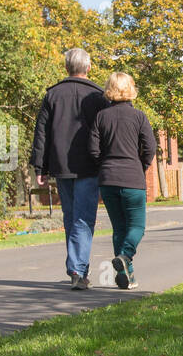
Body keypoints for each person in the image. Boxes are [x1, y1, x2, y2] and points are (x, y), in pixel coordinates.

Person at [28, 48, 108, 290]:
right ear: (89, 67)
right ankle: (77, 268)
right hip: (89, 166)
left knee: (72, 217)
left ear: (66, 68)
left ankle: (78, 268)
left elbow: (41, 133)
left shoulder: (52, 95)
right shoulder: (98, 96)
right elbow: (105, 132)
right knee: (83, 219)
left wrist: (39, 167)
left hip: (61, 165)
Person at [90, 71, 156, 290]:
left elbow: (93, 150)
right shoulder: (139, 117)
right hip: (132, 178)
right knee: (137, 226)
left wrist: (105, 166)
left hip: (108, 180)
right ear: (131, 89)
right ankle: (126, 257)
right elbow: (150, 147)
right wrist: (142, 165)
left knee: (119, 228)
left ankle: (127, 276)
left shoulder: (100, 117)